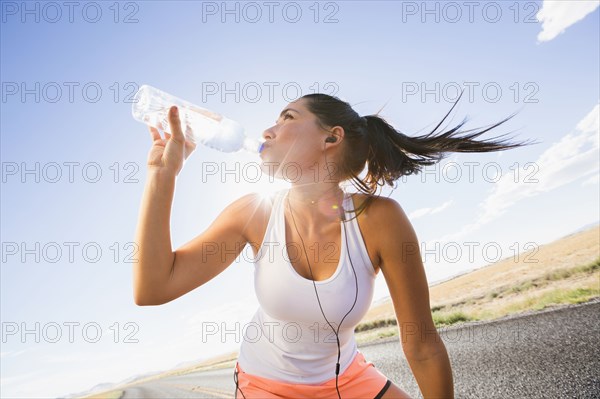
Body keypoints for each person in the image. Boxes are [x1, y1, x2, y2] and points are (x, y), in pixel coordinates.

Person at [133, 91, 537, 398]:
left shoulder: (380, 220)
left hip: (348, 379)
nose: (267, 130)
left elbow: (421, 342)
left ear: (331, 138)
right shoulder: (252, 214)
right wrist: (161, 175)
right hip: (265, 386)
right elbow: (154, 288)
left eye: (287, 117)